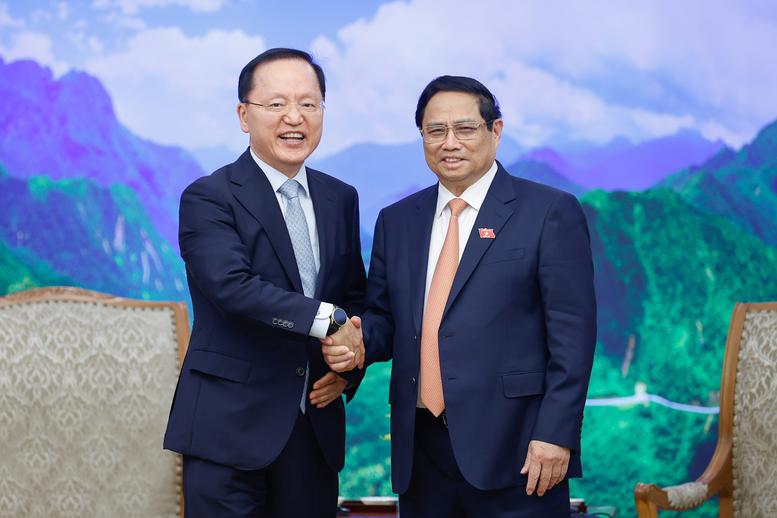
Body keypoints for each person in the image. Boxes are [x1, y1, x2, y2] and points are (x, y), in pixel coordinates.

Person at [324, 75, 596, 517]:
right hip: (421, 450)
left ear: (496, 131)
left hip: (519, 450)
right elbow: (384, 318)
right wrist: (357, 341)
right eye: (436, 131)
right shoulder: (397, 220)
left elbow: (574, 336)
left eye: (465, 129)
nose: (450, 142)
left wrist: (557, 433)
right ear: (423, 138)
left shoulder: (548, 212)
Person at [163, 48, 366, 518]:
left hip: (313, 429)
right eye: (276, 104)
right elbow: (232, 287)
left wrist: (349, 362)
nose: (294, 117)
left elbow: (355, 299)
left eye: (309, 104)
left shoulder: (340, 198)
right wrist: (330, 321)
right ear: (243, 115)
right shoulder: (209, 196)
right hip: (228, 432)